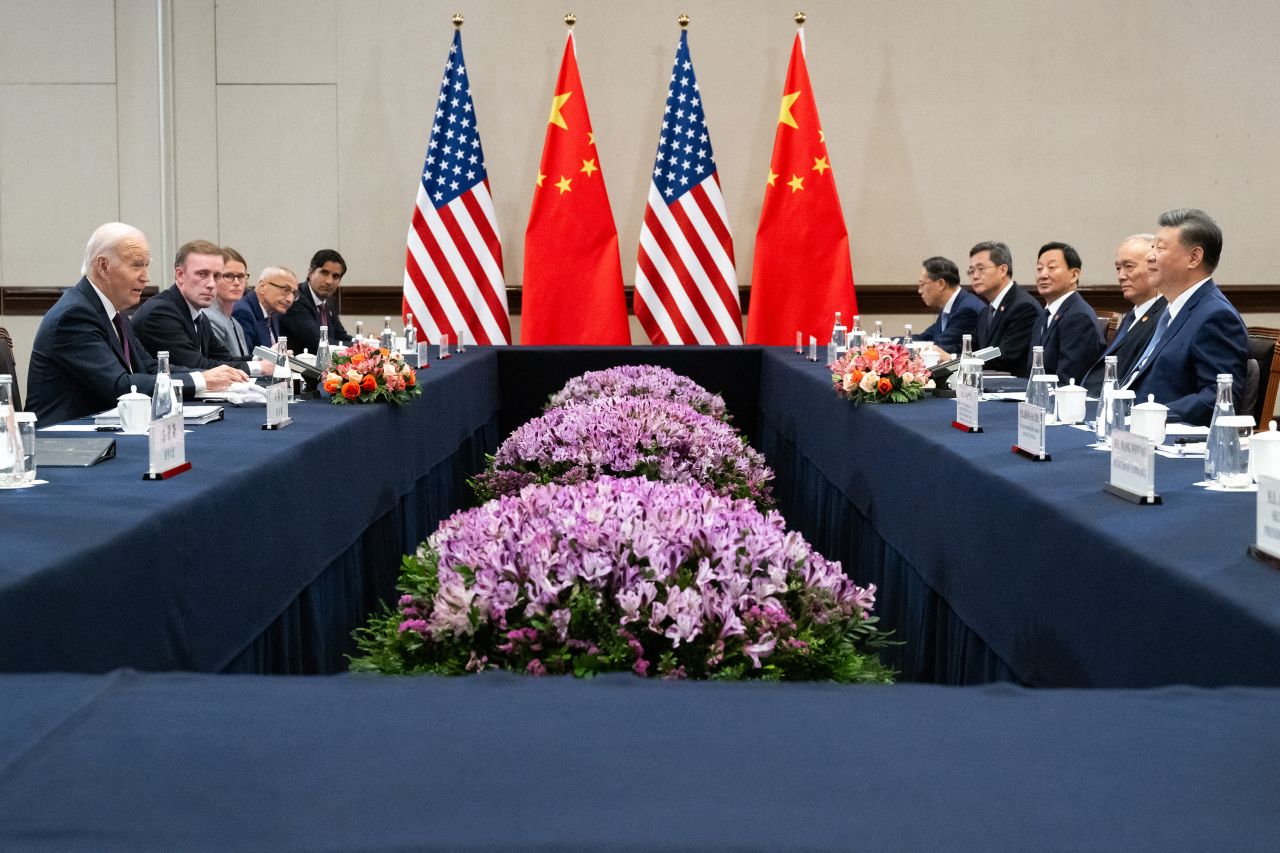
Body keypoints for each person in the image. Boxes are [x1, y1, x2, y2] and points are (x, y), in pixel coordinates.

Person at [26, 223, 244, 425]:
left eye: (147, 266)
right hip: (63, 440)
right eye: (137, 265)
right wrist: (200, 380)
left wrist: (209, 377)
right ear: (103, 266)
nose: (146, 277)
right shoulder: (74, 315)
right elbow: (119, 386)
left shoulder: (113, 313)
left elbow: (148, 367)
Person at [1126, 208, 1248, 425]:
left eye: (1159, 248)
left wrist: (1153, 415)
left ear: (1194, 258)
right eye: (1152, 246)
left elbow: (1218, 399)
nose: (1149, 255)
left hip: (1165, 438)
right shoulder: (1171, 310)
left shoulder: (1216, 316)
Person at [132, 239, 270, 377]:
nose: (211, 284)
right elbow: (196, 366)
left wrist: (265, 360)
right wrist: (259, 368)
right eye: (202, 274)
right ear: (180, 275)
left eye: (217, 276)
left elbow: (222, 359)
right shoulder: (161, 313)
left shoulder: (199, 316)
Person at [1081, 235, 1166, 394]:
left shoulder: (1165, 317)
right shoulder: (1133, 316)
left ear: (1155, 266)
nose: (1121, 276)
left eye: (1129, 266)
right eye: (1118, 268)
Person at [1028, 242, 1103, 384]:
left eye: (1051, 268)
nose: (1043, 275)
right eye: (1039, 268)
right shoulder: (1045, 315)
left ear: (1074, 275)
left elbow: (1068, 379)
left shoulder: (1078, 317)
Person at [969, 241, 1044, 377]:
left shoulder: (1023, 307)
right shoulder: (986, 311)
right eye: (971, 271)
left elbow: (1004, 356)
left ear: (1003, 270)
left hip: (1013, 389)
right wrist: (950, 359)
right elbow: (974, 347)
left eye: (981, 269)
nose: (975, 276)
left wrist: (961, 362)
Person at [279, 249, 351, 356]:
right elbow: (318, 343)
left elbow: (341, 335)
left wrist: (365, 344)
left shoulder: (329, 301)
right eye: (324, 273)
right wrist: (356, 347)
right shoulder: (296, 299)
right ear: (310, 273)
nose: (329, 281)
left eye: (335, 276)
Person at [913, 256, 984, 357]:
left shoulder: (967, 310)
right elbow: (925, 338)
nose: (919, 291)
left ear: (941, 284)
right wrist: (890, 343)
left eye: (922, 284)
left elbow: (940, 347)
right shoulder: (950, 307)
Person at [233, 267, 300, 351]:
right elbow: (247, 359)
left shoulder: (273, 314)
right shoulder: (243, 313)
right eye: (285, 289)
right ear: (262, 286)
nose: (290, 299)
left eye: (294, 293)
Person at [206, 246, 253, 359]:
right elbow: (222, 365)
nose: (237, 282)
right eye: (228, 276)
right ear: (214, 278)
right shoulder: (208, 319)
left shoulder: (235, 323)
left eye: (241, 276)